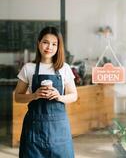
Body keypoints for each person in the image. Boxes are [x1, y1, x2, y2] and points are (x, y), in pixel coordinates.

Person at [14, 26, 78, 158]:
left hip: (59, 129)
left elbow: (74, 96)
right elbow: (17, 97)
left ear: (58, 46)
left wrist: (59, 97)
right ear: (38, 43)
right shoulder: (28, 68)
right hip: (34, 129)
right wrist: (34, 95)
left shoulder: (64, 68)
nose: (49, 47)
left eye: (54, 44)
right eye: (45, 42)